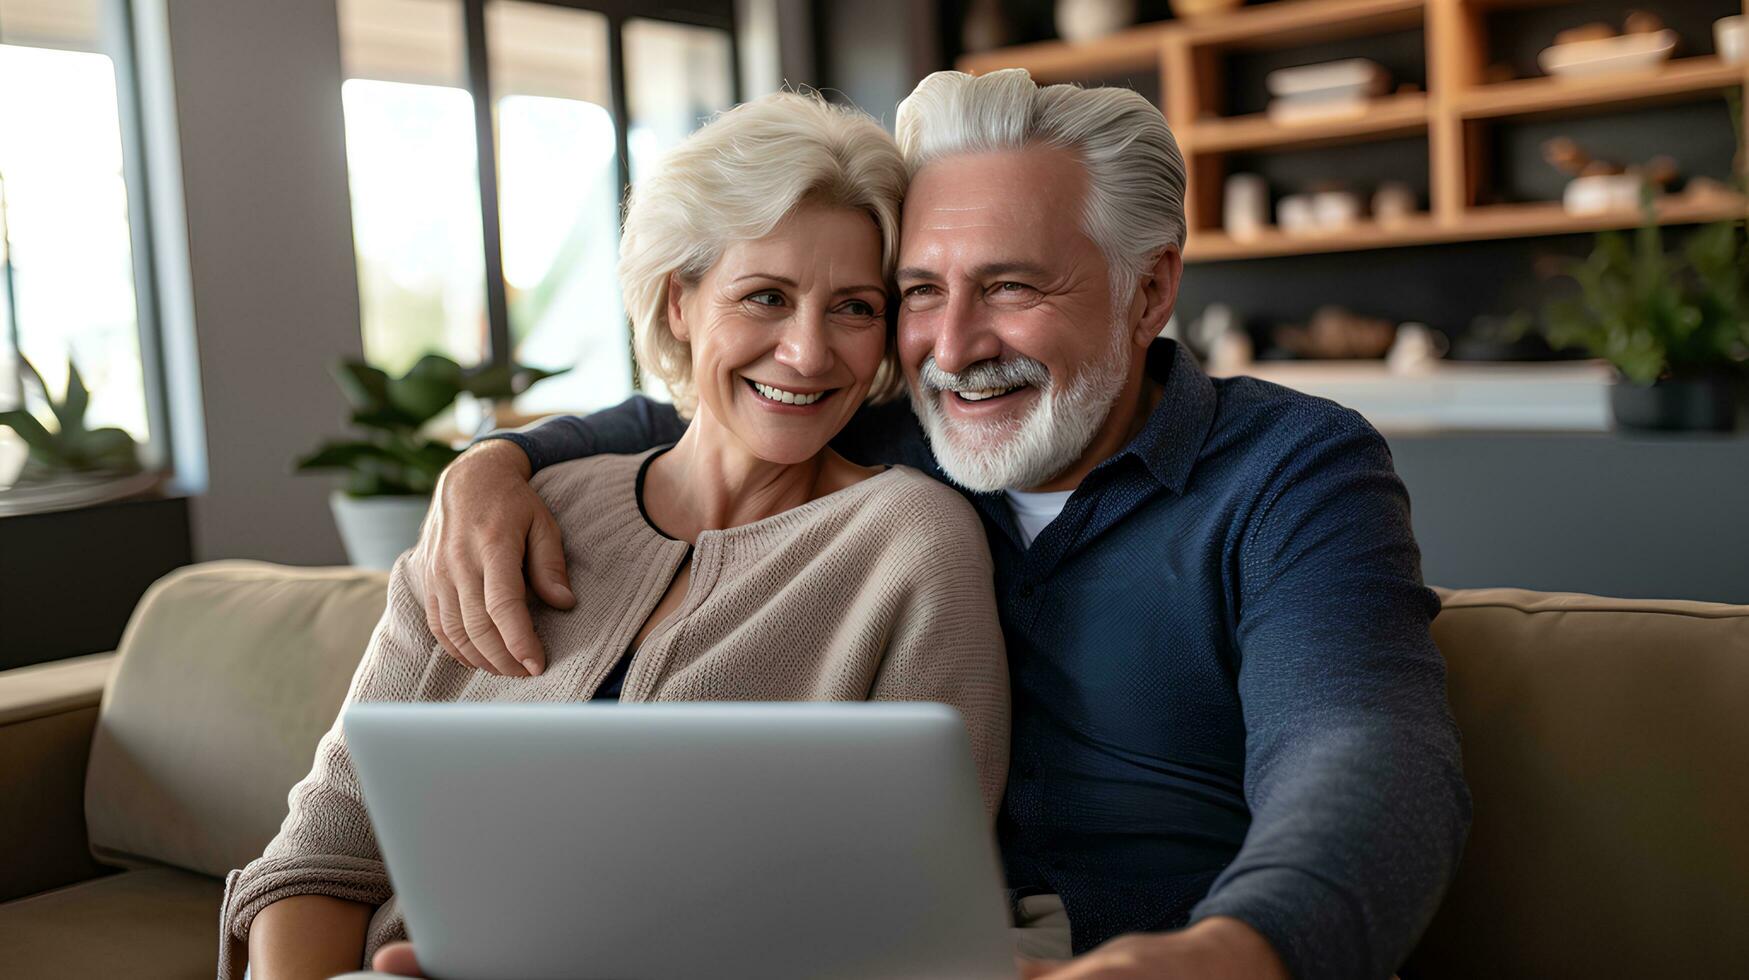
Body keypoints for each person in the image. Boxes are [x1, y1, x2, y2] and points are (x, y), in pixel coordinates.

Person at [421, 69, 1473, 980]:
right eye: (919, 291)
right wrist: (496, 461)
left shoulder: (1290, 468)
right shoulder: (886, 433)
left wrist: (1241, 948)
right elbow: (695, 412)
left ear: (1147, 288)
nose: (955, 347)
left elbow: (1364, 748)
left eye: (1011, 285)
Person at [217, 92, 1010, 980]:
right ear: (679, 303)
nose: (808, 353)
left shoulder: (912, 543)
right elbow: (325, 848)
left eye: (856, 308)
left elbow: (911, 911)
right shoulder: (509, 515)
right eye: (764, 296)